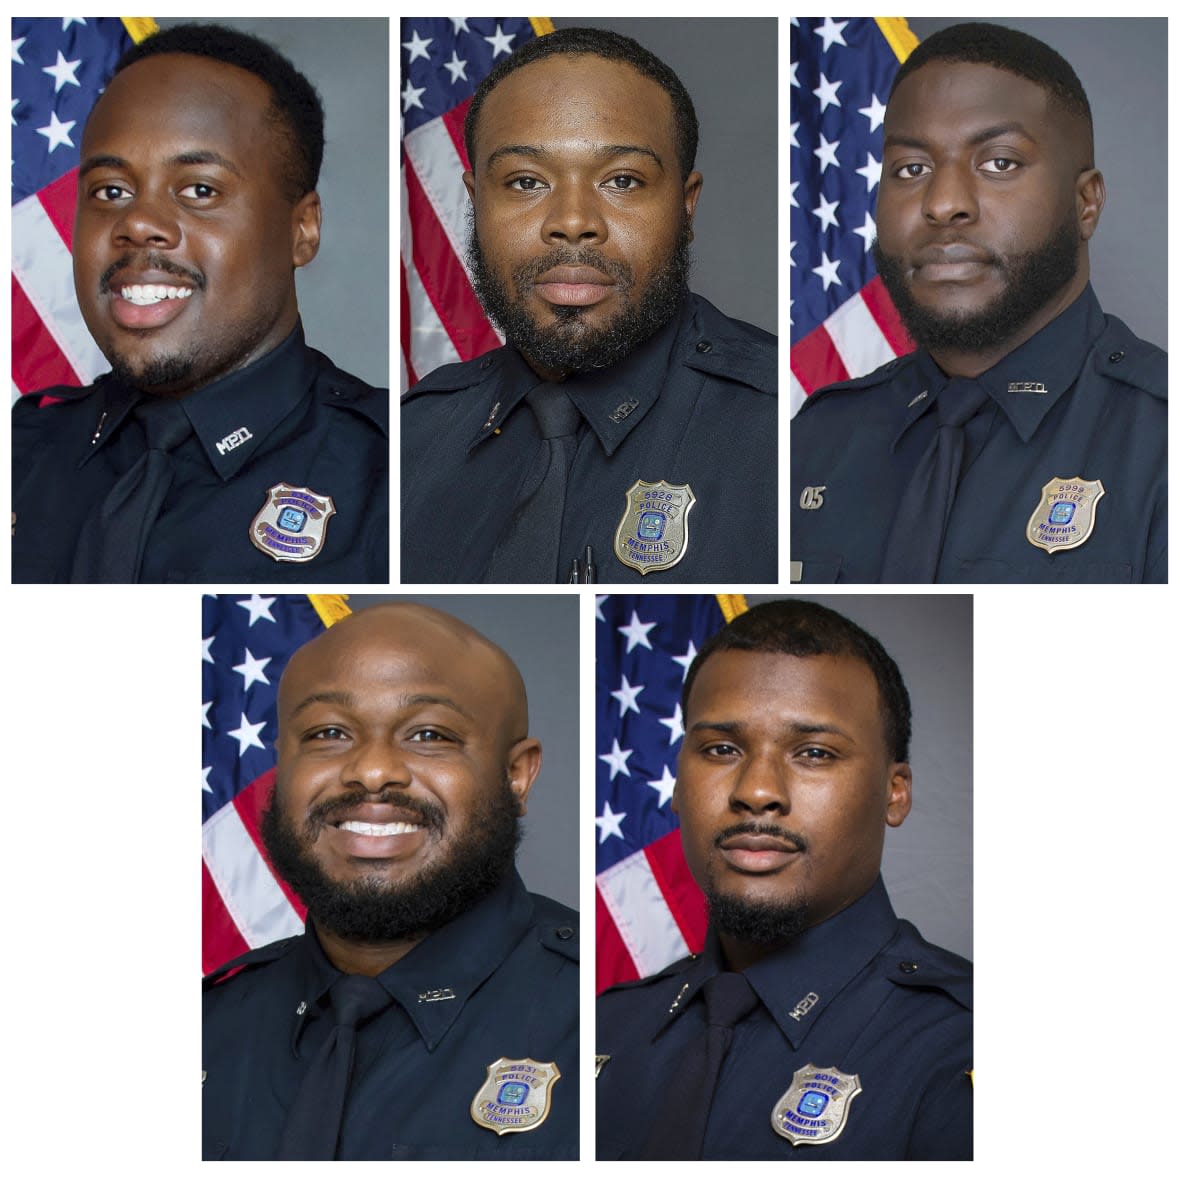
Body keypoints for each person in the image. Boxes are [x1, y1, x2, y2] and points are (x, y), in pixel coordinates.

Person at [790, 22, 1166, 584]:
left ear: (1086, 203)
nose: (943, 204)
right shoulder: (815, 441)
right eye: (911, 169)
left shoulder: (1161, 439)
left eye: (999, 163)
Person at [596, 599, 971, 1160]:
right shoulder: (603, 1028)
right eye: (721, 749)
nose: (757, 789)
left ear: (895, 792)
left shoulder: (963, 1045)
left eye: (814, 753)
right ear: (676, 783)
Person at [12, 23, 388, 583]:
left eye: (199, 190)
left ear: (302, 230)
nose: (137, 222)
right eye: (110, 191)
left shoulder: (396, 473)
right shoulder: (21, 451)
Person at [401, 26, 777, 583]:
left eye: (622, 180)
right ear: (475, 203)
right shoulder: (412, 438)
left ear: (686, 206)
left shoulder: (784, 427)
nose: (573, 222)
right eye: (526, 182)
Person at [203, 603, 578, 1160]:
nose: (372, 770)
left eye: (428, 734)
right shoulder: (206, 1022)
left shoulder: (598, 1016)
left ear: (516, 775)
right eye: (329, 732)